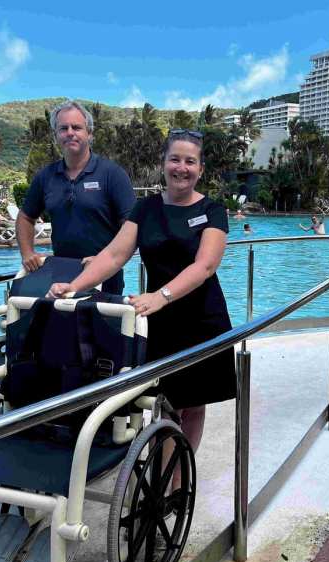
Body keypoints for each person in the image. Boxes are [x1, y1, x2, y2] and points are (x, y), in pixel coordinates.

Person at [47, 129, 237, 466]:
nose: (182, 167)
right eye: (175, 159)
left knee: (193, 403)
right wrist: (75, 285)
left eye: (190, 161)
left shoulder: (213, 210)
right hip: (158, 319)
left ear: (200, 169)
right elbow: (115, 255)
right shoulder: (145, 208)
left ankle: (179, 476)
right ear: (163, 164)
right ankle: (161, 471)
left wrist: (162, 295)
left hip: (200, 318)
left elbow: (205, 265)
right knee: (164, 401)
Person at [19, 100, 135, 293]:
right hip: (60, 275)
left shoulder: (112, 174)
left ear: (89, 133)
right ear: (56, 135)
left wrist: (104, 259)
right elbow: (25, 217)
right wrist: (27, 252)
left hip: (105, 279)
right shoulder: (45, 177)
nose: (70, 132)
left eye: (77, 127)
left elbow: (131, 225)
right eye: (63, 128)